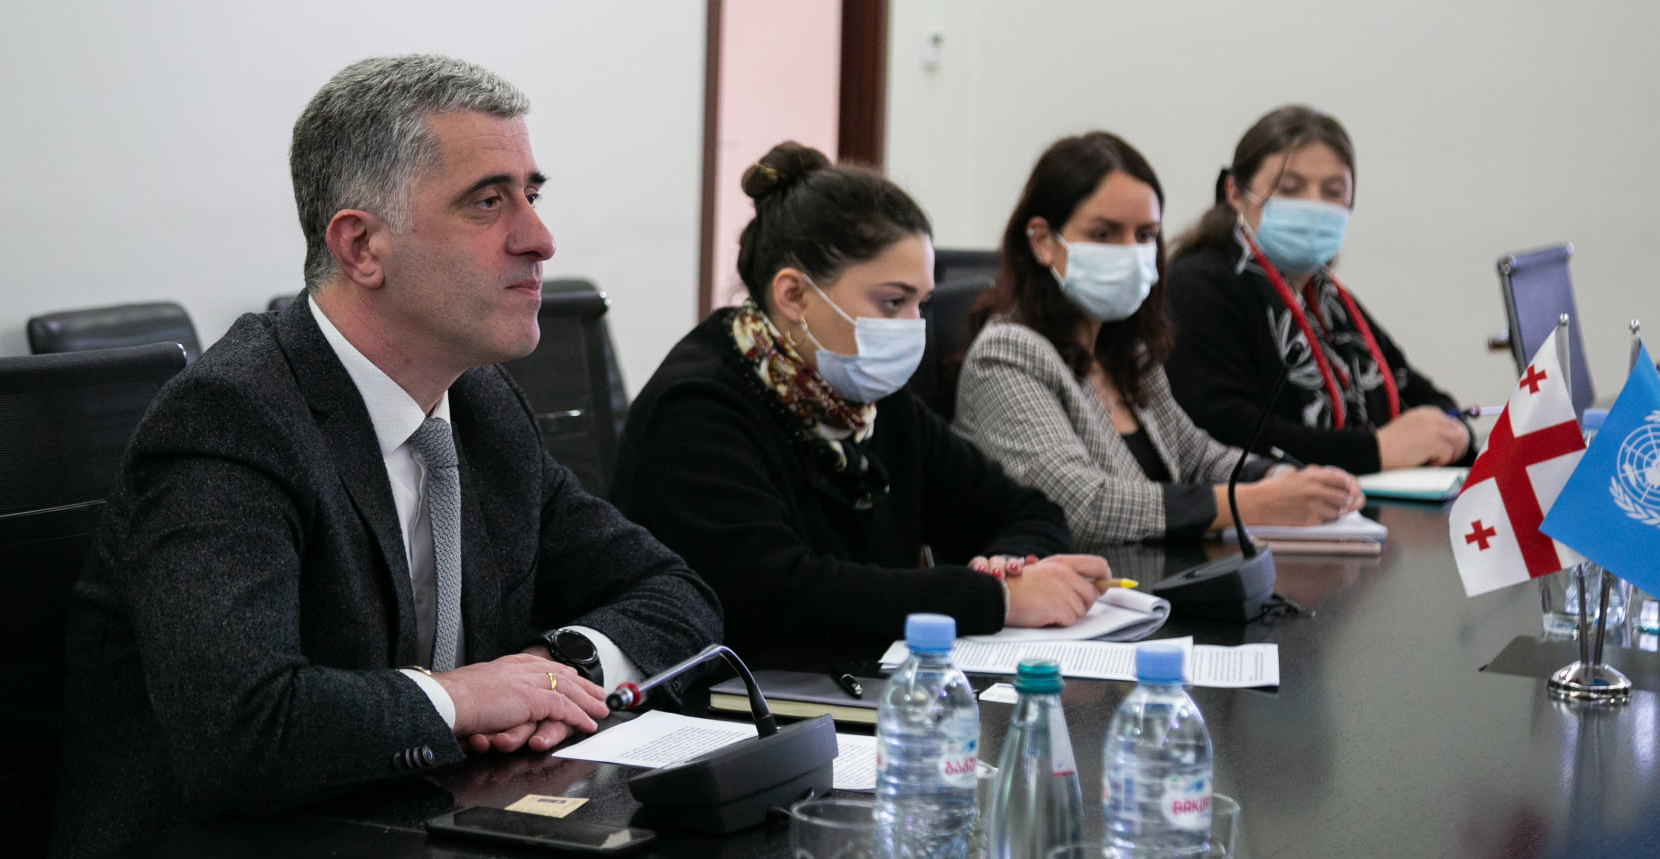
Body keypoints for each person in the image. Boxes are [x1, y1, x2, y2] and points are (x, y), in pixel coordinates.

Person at [52, 56, 721, 859]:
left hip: (425, 839)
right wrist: (459, 700)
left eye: (531, 196)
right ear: (362, 246)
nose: (539, 239)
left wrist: (557, 668)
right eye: (488, 202)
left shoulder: (482, 407)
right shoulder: (230, 419)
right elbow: (240, 735)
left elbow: (674, 592)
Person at [609, 142, 1111, 655]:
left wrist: (1011, 567)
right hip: (736, 693)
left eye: (921, 304)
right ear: (794, 295)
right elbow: (774, 596)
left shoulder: (867, 397)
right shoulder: (696, 410)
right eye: (892, 302)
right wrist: (994, 597)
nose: (913, 327)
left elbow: (1025, 510)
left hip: (857, 683)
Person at [954, 132, 1363, 549]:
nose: (1130, 252)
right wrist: (1251, 503)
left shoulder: (1127, 352)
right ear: (1042, 241)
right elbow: (1079, 506)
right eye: (1103, 234)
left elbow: (1197, 456)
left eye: (1145, 235)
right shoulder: (1007, 355)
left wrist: (1281, 478)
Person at [1165, 105, 1473, 474]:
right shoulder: (1197, 287)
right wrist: (1377, 449)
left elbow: (1417, 392)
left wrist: (1456, 433)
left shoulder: (1329, 299)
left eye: (1333, 192)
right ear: (1234, 192)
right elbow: (1224, 432)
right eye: (1290, 189)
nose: (1314, 204)